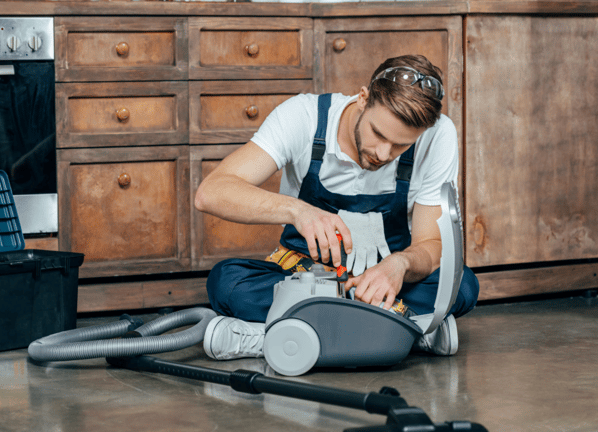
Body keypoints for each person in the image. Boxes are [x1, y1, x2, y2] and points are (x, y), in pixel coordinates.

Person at [194, 54, 479, 361]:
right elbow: (211, 192)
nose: (384, 153)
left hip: (387, 285)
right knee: (227, 282)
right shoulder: (304, 117)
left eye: (401, 146)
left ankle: (273, 338)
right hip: (305, 280)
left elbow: (431, 244)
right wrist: (298, 211)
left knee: (462, 285)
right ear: (363, 98)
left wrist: (401, 265)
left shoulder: (438, 135)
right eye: (379, 134)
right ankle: (407, 330)